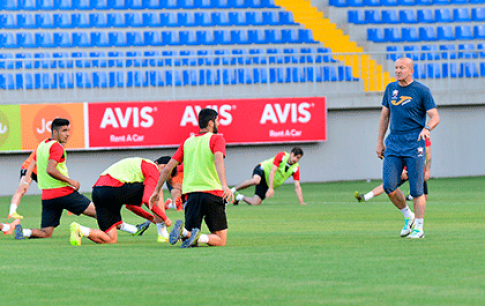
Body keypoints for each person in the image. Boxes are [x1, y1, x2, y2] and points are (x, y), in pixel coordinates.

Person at [13, 118, 145, 240]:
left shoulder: (42, 145)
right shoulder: (57, 147)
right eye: (64, 131)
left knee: (46, 232)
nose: (67, 134)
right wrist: (71, 181)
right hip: (63, 193)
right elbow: (50, 169)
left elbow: (32, 163)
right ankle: (133, 229)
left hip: (48, 197)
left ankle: (24, 232)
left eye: (68, 130)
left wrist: (25, 180)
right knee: (100, 211)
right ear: (54, 131)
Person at [149, 108, 233, 248]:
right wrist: (224, 185)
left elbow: (168, 168)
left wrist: (156, 190)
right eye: (217, 120)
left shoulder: (187, 142)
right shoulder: (217, 138)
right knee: (220, 240)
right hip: (212, 193)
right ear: (211, 123)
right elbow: (218, 159)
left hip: (191, 196)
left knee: (189, 238)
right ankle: (197, 236)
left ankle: (185, 233)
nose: (218, 123)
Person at [376, 57, 439, 239]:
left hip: (414, 143)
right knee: (389, 186)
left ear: (411, 70)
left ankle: (419, 228)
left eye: (401, 68)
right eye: (396, 68)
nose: (397, 71)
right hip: (394, 143)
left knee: (417, 189)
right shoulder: (390, 89)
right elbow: (384, 116)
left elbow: (435, 116)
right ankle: (408, 216)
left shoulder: (421, 90)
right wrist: (380, 141)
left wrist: (427, 129)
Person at [69, 157, 174, 245]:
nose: (163, 175)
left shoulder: (140, 170)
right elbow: (147, 199)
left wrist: (151, 218)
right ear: (161, 165)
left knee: (111, 239)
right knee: (157, 189)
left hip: (98, 191)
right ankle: (163, 233)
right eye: (165, 171)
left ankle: (81, 230)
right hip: (113, 188)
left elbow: (131, 206)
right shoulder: (152, 168)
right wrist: (164, 218)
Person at [355, 138, 432, 202]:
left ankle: (410, 196)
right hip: (408, 170)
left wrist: (427, 171)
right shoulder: (407, 136)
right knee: (386, 185)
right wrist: (402, 170)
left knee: (424, 197)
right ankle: (365, 197)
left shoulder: (423, 137)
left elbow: (427, 155)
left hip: (418, 170)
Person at [230, 147, 306, 206]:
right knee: (256, 180)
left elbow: (297, 186)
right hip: (263, 169)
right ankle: (232, 190)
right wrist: (270, 188)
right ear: (291, 154)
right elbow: (272, 171)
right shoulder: (282, 156)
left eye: (298, 158)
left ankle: (239, 197)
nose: (296, 159)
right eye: (295, 156)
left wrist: (301, 202)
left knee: (255, 203)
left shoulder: (295, 168)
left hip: (267, 182)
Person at [8, 151, 38, 219]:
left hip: (39, 171)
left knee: (53, 189)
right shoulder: (44, 146)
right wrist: (26, 182)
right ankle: (12, 212)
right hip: (28, 167)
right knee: (21, 189)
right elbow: (34, 162)